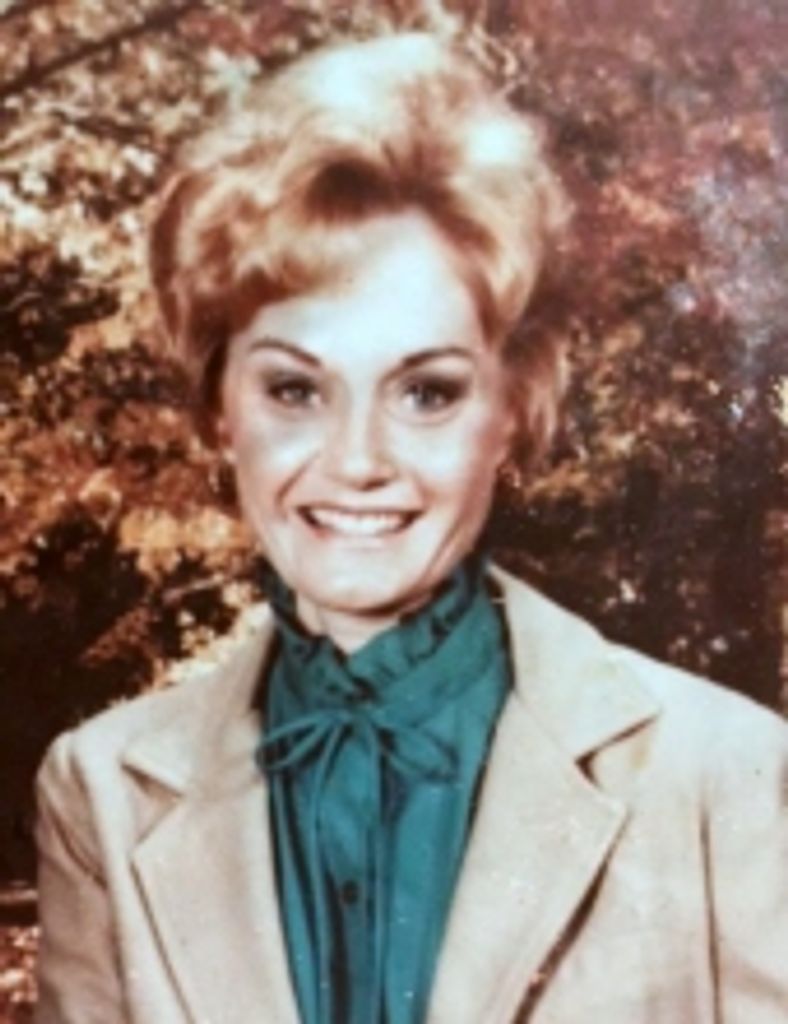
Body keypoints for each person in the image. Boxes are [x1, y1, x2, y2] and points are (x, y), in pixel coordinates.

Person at [34, 30, 788, 1024]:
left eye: (426, 392)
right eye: (294, 389)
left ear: (513, 408)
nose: (357, 460)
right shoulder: (100, 793)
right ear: (219, 407)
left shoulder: (722, 773)